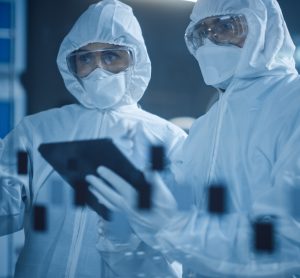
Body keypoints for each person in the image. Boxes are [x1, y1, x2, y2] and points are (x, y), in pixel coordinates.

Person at [86, 0, 300, 277]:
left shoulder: (292, 103)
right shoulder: (204, 128)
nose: (212, 41)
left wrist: (174, 227)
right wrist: (127, 228)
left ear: (264, 26)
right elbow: (176, 247)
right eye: (203, 32)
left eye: (225, 27)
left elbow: (287, 242)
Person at [0, 0, 187, 277]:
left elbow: (183, 235)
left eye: (111, 56)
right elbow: (6, 213)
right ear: (71, 65)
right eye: (85, 58)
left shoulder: (168, 139)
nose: (97, 68)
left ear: (135, 60)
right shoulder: (37, 130)